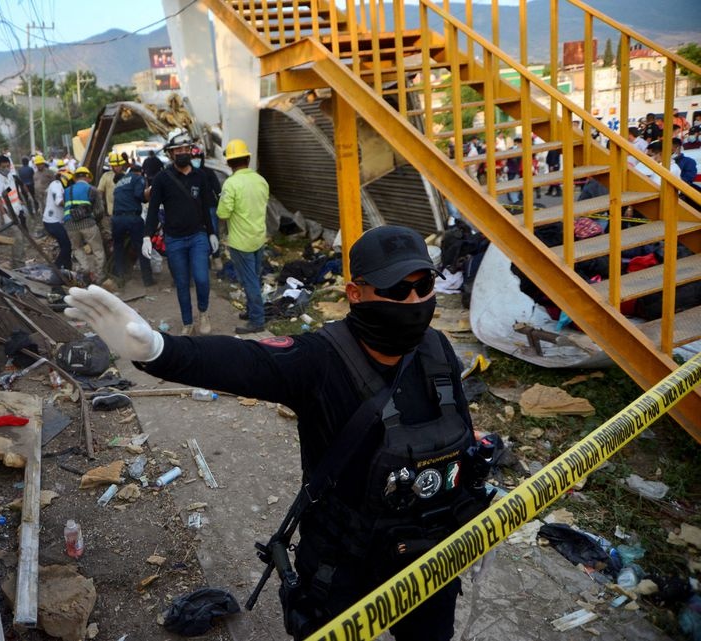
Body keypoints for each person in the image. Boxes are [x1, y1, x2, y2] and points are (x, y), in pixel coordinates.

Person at [62, 224, 491, 641]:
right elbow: (246, 361)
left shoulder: (437, 350)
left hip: (432, 551)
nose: (414, 301)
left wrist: (476, 501)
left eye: (424, 286)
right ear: (355, 293)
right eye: (397, 290)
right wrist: (158, 350)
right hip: (345, 562)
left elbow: (461, 437)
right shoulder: (321, 360)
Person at [142, 128, 218, 335]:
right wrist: (147, 236)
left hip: (198, 236)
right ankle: (187, 323)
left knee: (202, 279)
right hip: (174, 239)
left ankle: (203, 312)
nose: (183, 152)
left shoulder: (200, 176)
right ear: (170, 153)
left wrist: (212, 233)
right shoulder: (162, 178)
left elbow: (206, 207)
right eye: (178, 150)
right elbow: (153, 209)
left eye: (186, 149)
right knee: (182, 283)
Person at [216, 139, 269, 334]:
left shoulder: (231, 184)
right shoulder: (261, 180)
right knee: (254, 277)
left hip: (241, 242)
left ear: (229, 163)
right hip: (258, 238)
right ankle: (251, 310)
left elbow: (222, 213)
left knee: (249, 281)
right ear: (247, 159)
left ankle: (257, 320)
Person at [110, 160, 153, 287]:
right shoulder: (138, 178)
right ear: (139, 172)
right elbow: (139, 195)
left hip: (117, 218)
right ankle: (147, 279)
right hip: (132, 217)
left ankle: (119, 277)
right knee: (142, 247)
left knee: (118, 247)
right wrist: (148, 194)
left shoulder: (119, 183)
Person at [63, 166, 106, 280]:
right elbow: (99, 211)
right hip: (88, 223)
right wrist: (97, 221)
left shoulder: (67, 190)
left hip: (70, 224)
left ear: (75, 178)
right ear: (88, 178)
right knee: (97, 249)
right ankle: (99, 276)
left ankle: (84, 271)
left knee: (77, 248)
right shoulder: (92, 189)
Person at [0, 154, 27, 268]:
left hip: (16, 209)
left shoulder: (9, 176)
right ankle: (18, 264)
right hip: (8, 212)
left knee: (19, 238)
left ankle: (16, 261)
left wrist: (19, 202)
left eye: (8, 166)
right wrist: (4, 215)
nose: (6, 169)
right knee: (18, 238)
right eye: (3, 167)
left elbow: (11, 190)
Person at [42, 168, 73, 271]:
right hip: (52, 222)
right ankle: (56, 268)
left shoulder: (58, 186)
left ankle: (67, 269)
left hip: (56, 221)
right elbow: (59, 201)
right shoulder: (56, 184)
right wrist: (73, 205)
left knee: (65, 246)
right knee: (67, 246)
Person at [17, 156, 39, 232]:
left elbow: (20, 179)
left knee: (27, 200)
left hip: (23, 187)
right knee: (34, 198)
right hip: (31, 185)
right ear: (27, 162)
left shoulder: (20, 170)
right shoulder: (30, 169)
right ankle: (36, 210)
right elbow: (33, 176)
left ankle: (31, 212)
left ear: (22, 162)